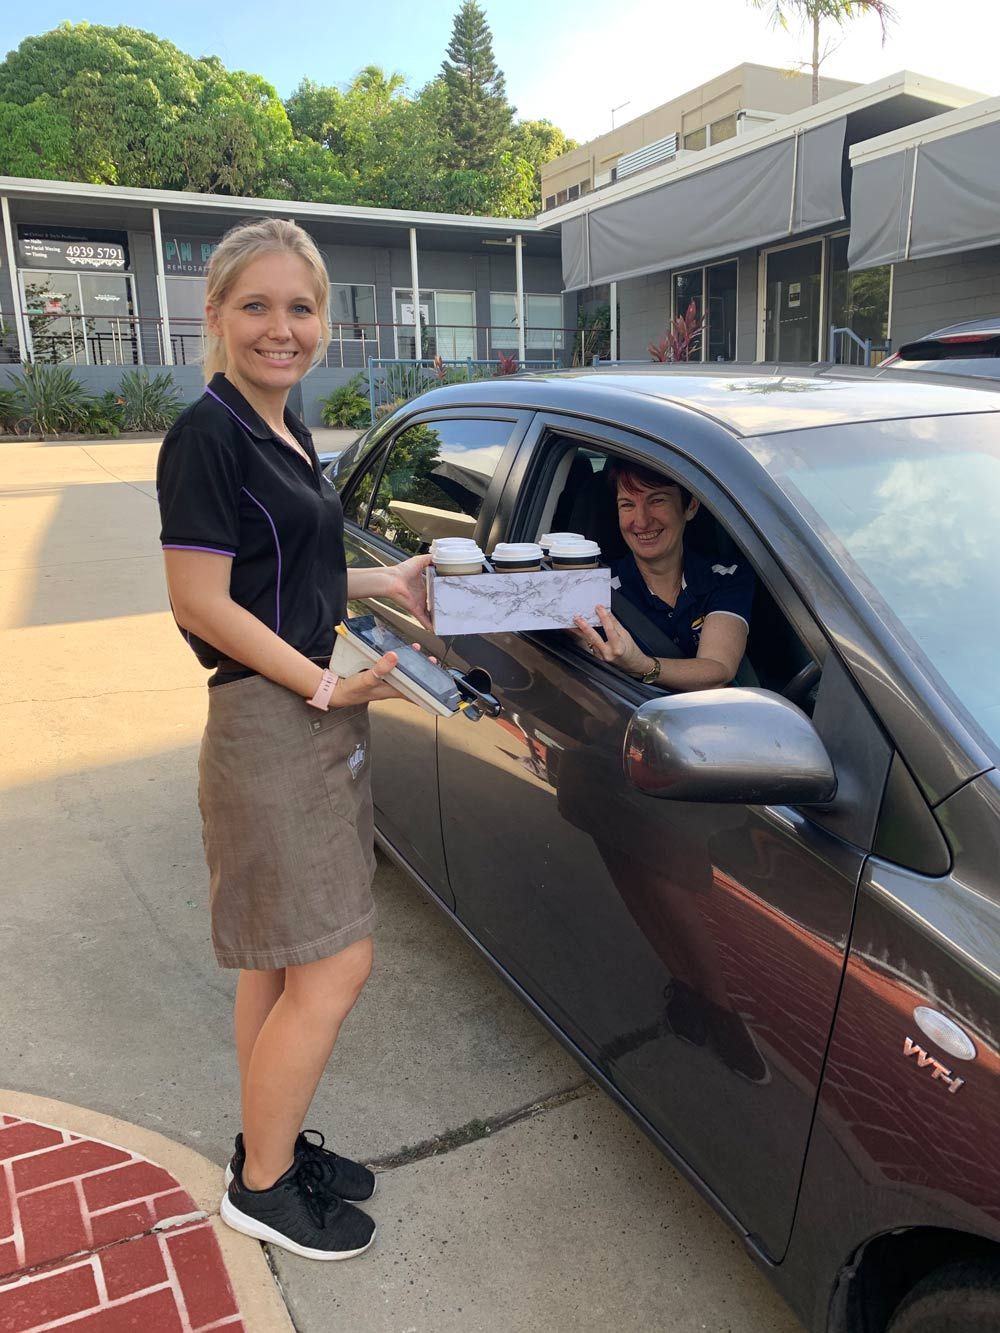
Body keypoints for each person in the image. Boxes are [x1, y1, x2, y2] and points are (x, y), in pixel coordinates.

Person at [156, 218, 431, 1262]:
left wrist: (387, 581)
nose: (282, 328)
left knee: (276, 962)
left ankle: (262, 1147)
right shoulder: (208, 435)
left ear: (324, 322)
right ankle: (263, 1189)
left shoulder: (284, 425)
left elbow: (292, 575)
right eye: (257, 306)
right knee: (335, 962)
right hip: (269, 722)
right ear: (216, 316)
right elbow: (201, 601)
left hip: (305, 712)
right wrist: (326, 682)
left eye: (301, 307)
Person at [573, 460, 755, 689]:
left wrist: (642, 665)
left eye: (657, 500)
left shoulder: (725, 576)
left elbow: (718, 668)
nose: (641, 521)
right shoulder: (596, 588)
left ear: (690, 507)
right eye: (627, 505)